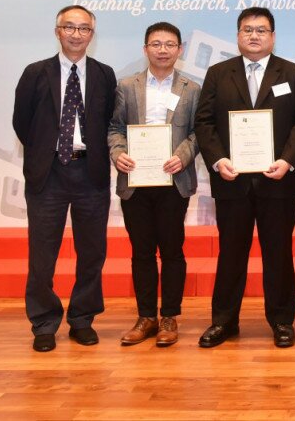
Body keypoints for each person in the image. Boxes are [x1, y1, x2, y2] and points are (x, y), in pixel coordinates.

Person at [194, 7, 295, 348]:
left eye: (262, 30)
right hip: (232, 181)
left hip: (277, 181)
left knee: (278, 253)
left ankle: (281, 321)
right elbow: (203, 123)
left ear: (273, 37)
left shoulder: (292, 73)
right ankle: (224, 321)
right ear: (238, 36)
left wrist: (288, 161)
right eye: (248, 30)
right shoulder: (218, 73)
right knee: (231, 253)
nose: (254, 36)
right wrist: (218, 161)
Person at [12, 5, 117, 352]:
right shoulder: (35, 73)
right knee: (42, 253)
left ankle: (82, 318)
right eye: (69, 27)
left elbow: (107, 122)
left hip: (91, 174)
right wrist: (48, 151)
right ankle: (43, 322)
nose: (76, 34)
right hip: (49, 174)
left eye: (84, 29)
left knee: (92, 252)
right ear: (57, 31)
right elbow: (22, 122)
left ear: (92, 34)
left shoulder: (104, 74)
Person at [108, 21, 200, 347]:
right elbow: (114, 128)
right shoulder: (125, 86)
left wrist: (184, 155)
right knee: (142, 252)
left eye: (170, 44)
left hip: (174, 180)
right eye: (156, 44)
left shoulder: (192, 88)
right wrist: (118, 153)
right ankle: (145, 316)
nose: (163, 50)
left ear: (180, 50)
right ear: (145, 48)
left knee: (172, 251)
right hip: (135, 181)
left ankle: (169, 317)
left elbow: (197, 132)